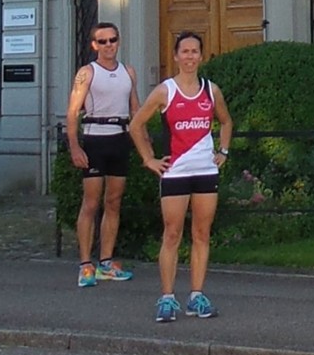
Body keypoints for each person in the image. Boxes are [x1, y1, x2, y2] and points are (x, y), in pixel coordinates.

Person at [129, 29, 233, 323]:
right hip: (175, 171)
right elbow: (136, 125)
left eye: (194, 51)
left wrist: (223, 151)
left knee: (201, 234)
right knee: (172, 234)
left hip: (204, 170)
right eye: (184, 51)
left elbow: (226, 121)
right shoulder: (165, 91)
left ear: (201, 56)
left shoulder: (211, 90)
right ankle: (167, 297)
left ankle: (197, 296)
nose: (190, 57)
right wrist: (148, 159)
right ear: (176, 56)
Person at [65, 20, 138, 286]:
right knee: (91, 202)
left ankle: (106, 261)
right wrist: (74, 145)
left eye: (113, 40)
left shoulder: (127, 71)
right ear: (95, 45)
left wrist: (143, 146)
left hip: (119, 138)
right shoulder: (87, 72)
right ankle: (86, 263)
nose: (109, 46)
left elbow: (135, 109)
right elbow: (73, 110)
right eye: (103, 41)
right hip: (95, 138)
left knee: (114, 201)